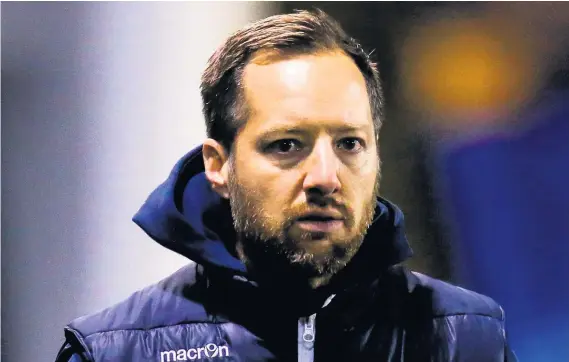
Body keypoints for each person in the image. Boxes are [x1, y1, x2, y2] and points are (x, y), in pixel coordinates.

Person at [55, 9, 517, 362]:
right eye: (287, 145)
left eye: (350, 143)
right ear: (218, 164)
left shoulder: (469, 339)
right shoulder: (116, 353)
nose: (324, 177)